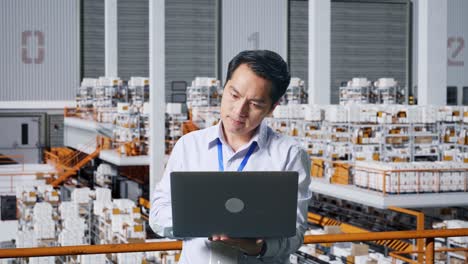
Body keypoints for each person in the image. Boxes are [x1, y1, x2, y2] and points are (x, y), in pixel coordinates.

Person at [150, 50, 312, 263]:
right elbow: (157, 214)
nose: (239, 110)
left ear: (272, 108)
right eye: (234, 95)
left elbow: (296, 232)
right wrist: (193, 223)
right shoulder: (189, 146)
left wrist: (258, 248)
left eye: (255, 104)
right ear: (223, 88)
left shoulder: (289, 154)